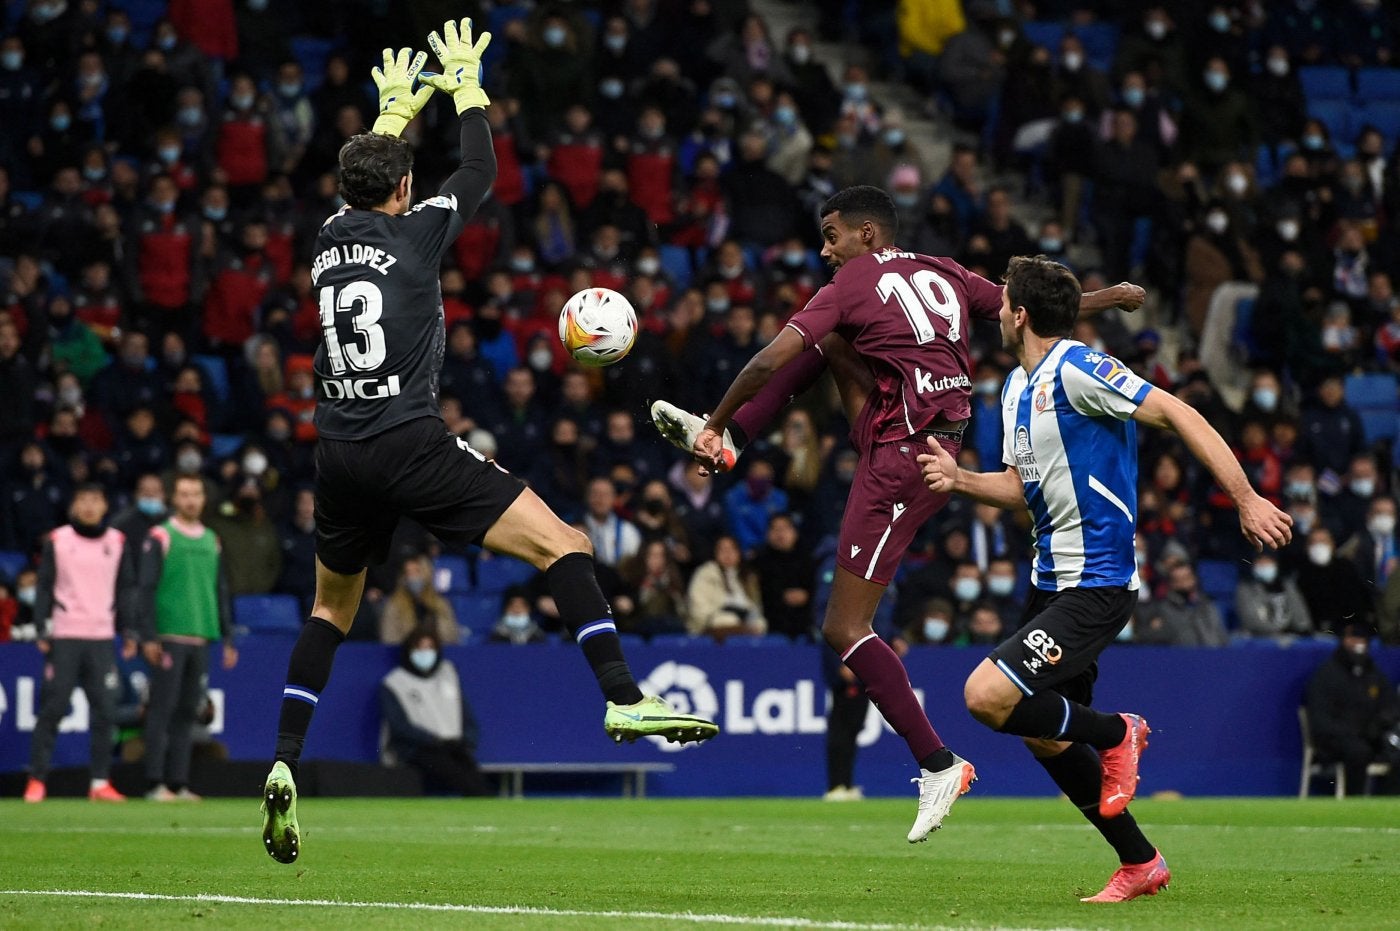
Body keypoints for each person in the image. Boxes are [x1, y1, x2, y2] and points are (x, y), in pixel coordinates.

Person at [260, 24, 716, 865]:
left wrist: (396, 108)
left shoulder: (326, 242)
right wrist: (466, 88)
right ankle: (622, 696)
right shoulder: (417, 231)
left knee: (331, 607)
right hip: (410, 440)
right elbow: (479, 172)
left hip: (337, 451)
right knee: (563, 543)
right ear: (405, 188)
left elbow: (371, 175)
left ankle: (285, 756)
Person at [655, 185, 1144, 842]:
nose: (825, 250)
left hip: (905, 458)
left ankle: (938, 761)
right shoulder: (940, 269)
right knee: (825, 345)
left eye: (832, 235)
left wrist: (710, 422)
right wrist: (1108, 297)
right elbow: (1034, 306)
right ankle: (736, 443)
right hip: (921, 434)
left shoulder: (854, 280)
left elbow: (770, 356)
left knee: (844, 625)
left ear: (866, 235)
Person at [918, 254, 1292, 900]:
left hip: (1097, 579)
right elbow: (1017, 485)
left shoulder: (1079, 368)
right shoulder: (1014, 387)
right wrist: (959, 481)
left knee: (985, 695)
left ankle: (1121, 730)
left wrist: (1245, 496)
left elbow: (1179, 412)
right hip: (1049, 580)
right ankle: (1140, 860)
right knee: (1042, 729)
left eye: (1003, 301)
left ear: (1020, 313)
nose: (997, 311)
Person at [23, 484, 137, 803]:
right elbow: (44, 586)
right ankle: (37, 780)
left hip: (101, 637)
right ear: (73, 506)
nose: (88, 506)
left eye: (95, 500)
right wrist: (41, 628)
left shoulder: (116, 542)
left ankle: (100, 782)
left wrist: (128, 631)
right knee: (53, 708)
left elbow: (126, 588)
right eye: (82, 500)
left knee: (105, 711)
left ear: (104, 506)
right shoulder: (59, 541)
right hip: (65, 636)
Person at [136, 473, 239, 803]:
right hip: (169, 635)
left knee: (186, 714)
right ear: (173, 499)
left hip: (201, 635)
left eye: (196, 494)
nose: (191, 500)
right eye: (184, 494)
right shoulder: (161, 537)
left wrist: (227, 636)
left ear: (204, 499)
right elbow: (146, 589)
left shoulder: (212, 539)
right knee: (161, 710)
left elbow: (220, 589)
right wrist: (148, 636)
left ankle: (178, 783)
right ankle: (154, 782)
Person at [379, 626, 491, 796]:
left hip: (452, 746)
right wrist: (432, 739)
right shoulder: (395, 683)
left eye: (430, 647)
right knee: (457, 775)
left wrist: (468, 738)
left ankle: (485, 808)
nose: (425, 653)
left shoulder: (447, 674)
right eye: (420, 648)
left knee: (474, 776)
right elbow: (399, 725)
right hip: (418, 748)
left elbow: (464, 711)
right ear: (409, 650)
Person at [1304, 621, 1400, 795]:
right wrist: (1354, 732)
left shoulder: (1373, 673)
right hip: (1336, 741)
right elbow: (1321, 721)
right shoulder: (1327, 675)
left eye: (1362, 638)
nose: (1358, 643)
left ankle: (1388, 801)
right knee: (1358, 752)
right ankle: (1353, 801)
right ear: (1343, 639)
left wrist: (1380, 724)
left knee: (1395, 748)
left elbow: (1391, 706)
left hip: (1371, 737)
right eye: (1353, 637)